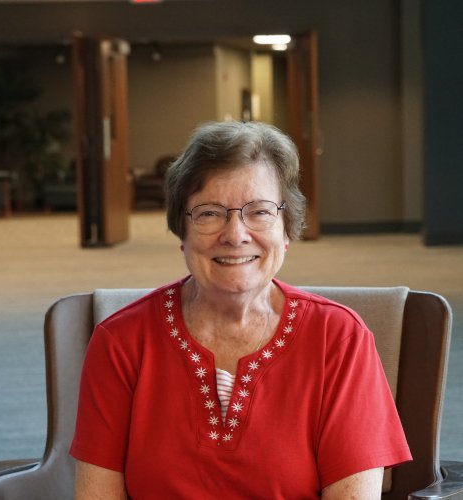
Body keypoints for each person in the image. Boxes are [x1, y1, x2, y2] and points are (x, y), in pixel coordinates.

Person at [70, 121, 412, 499]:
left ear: (286, 231)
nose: (235, 235)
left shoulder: (339, 339)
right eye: (209, 213)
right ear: (182, 233)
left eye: (260, 212)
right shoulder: (121, 341)